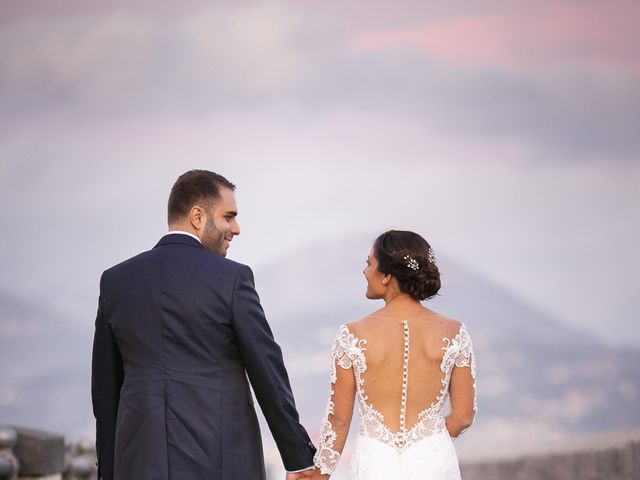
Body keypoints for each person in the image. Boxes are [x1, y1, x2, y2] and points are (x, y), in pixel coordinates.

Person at [91, 170, 315, 480]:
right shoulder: (232, 278)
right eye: (229, 217)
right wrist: (299, 458)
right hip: (221, 462)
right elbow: (267, 372)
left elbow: (105, 389)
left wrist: (109, 470)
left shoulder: (116, 281)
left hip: (138, 463)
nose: (235, 228)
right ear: (198, 216)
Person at [312, 230, 477, 480]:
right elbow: (463, 417)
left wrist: (319, 475)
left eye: (369, 263)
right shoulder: (455, 333)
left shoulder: (352, 335)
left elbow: (338, 422)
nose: (364, 271)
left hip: (375, 465)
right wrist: (427, 438)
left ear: (387, 275)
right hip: (433, 461)